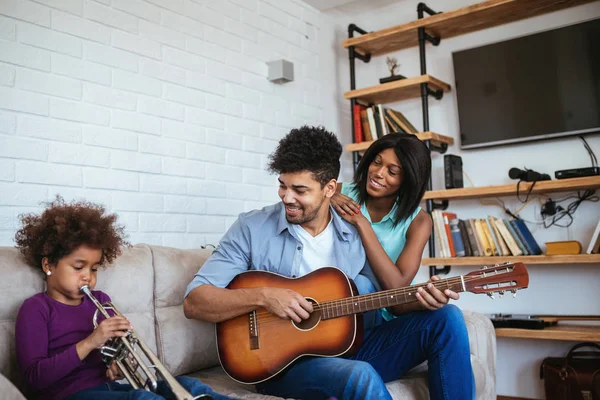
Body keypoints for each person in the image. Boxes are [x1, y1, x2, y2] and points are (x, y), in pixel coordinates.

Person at [184, 126, 474, 400]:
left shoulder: (354, 232)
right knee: (359, 376)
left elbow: (389, 299)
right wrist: (264, 296)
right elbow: (195, 301)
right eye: (282, 186)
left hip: (345, 346)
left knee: (446, 318)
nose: (287, 197)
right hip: (279, 363)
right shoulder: (252, 228)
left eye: (300, 190)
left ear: (330, 188)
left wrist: (425, 298)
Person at [14, 197, 232, 400]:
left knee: (187, 385)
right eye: (78, 267)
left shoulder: (100, 301)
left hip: (107, 389)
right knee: (143, 398)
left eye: (95, 269)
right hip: (67, 395)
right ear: (48, 265)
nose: (88, 276)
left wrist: (115, 369)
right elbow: (35, 378)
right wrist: (91, 341)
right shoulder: (36, 309)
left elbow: (105, 364)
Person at [330, 133, 435, 321]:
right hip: (333, 302)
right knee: (358, 284)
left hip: (381, 314)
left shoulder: (419, 222)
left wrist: (362, 223)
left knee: (449, 315)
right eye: (377, 162)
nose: (378, 173)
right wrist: (326, 193)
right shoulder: (338, 192)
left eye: (392, 172)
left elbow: (398, 289)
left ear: (408, 180)